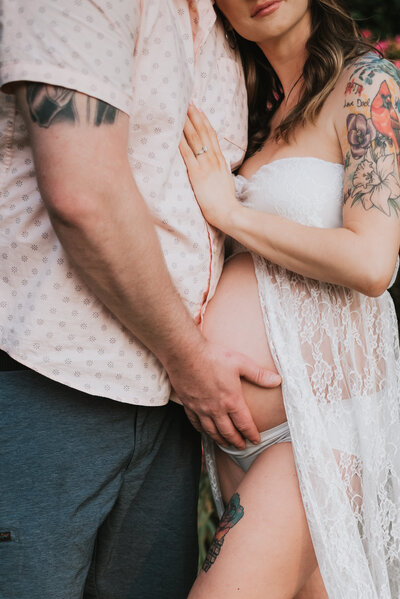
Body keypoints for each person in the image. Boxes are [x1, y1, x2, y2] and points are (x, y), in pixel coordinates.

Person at [0, 1, 281, 598]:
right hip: (54, 380)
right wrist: (191, 361)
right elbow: (84, 194)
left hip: (174, 415)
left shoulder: (225, 24)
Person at [179, 0, 400, 597]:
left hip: (318, 434)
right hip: (235, 447)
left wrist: (228, 212)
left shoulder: (366, 84)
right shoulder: (255, 112)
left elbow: (373, 262)